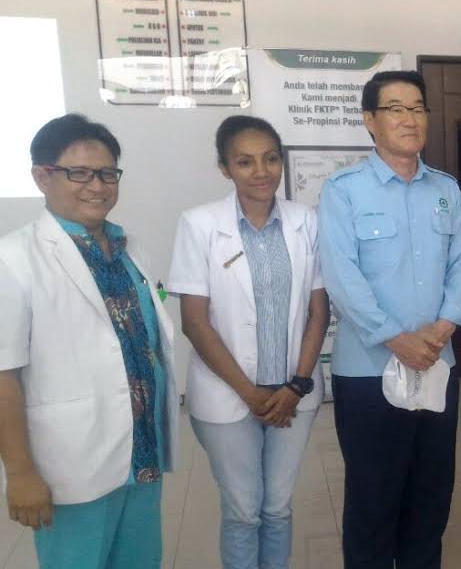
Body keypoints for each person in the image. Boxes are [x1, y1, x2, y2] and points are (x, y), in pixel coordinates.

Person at [0, 114, 179, 568]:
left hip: (141, 453)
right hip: (71, 465)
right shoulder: (13, 258)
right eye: (78, 173)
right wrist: (19, 472)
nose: (96, 186)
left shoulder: (129, 247)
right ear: (42, 176)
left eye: (106, 173)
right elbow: (3, 374)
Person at [317, 70, 461, 569]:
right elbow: (342, 276)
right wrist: (394, 337)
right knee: (372, 499)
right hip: (368, 372)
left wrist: (445, 326)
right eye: (395, 109)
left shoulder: (446, 189)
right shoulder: (344, 190)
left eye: (417, 108)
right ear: (370, 120)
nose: (410, 119)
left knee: (430, 498)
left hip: (436, 364)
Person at [168, 115, 330, 569]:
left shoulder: (305, 221)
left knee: (277, 507)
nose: (261, 171)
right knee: (243, 511)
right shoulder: (199, 224)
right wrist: (250, 392)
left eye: (270, 159)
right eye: (245, 162)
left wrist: (296, 385)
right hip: (227, 395)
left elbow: (318, 311)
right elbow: (195, 322)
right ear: (225, 168)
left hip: (294, 393)